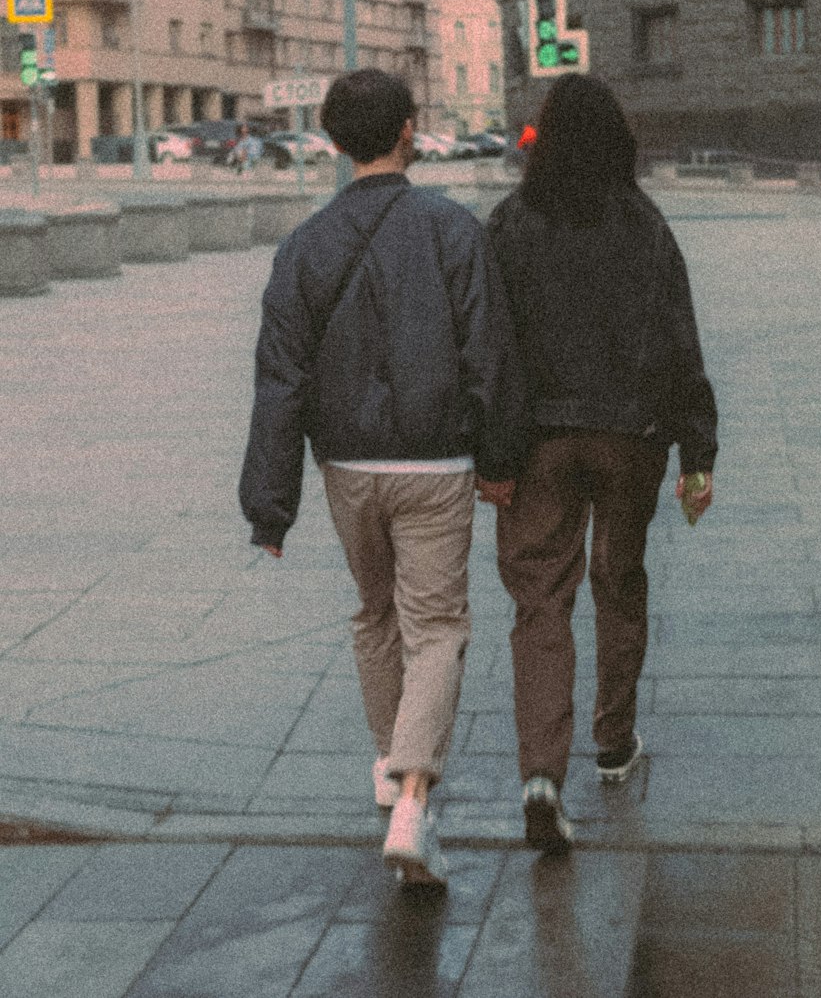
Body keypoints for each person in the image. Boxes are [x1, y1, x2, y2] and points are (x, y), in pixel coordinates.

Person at [239, 69, 529, 888]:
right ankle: (412, 796)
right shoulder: (451, 230)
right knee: (435, 626)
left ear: (333, 140)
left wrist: (270, 508)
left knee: (373, 615)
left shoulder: (304, 245)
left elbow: (280, 379)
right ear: (407, 129)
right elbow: (489, 353)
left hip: (348, 468)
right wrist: (501, 463)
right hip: (435, 463)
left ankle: (386, 763)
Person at [486, 74, 718, 855]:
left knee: (540, 602)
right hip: (630, 438)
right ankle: (614, 745)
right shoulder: (645, 226)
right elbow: (680, 342)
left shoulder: (512, 224)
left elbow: (490, 349)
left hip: (539, 442)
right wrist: (698, 450)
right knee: (619, 580)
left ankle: (542, 776)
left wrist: (492, 451)